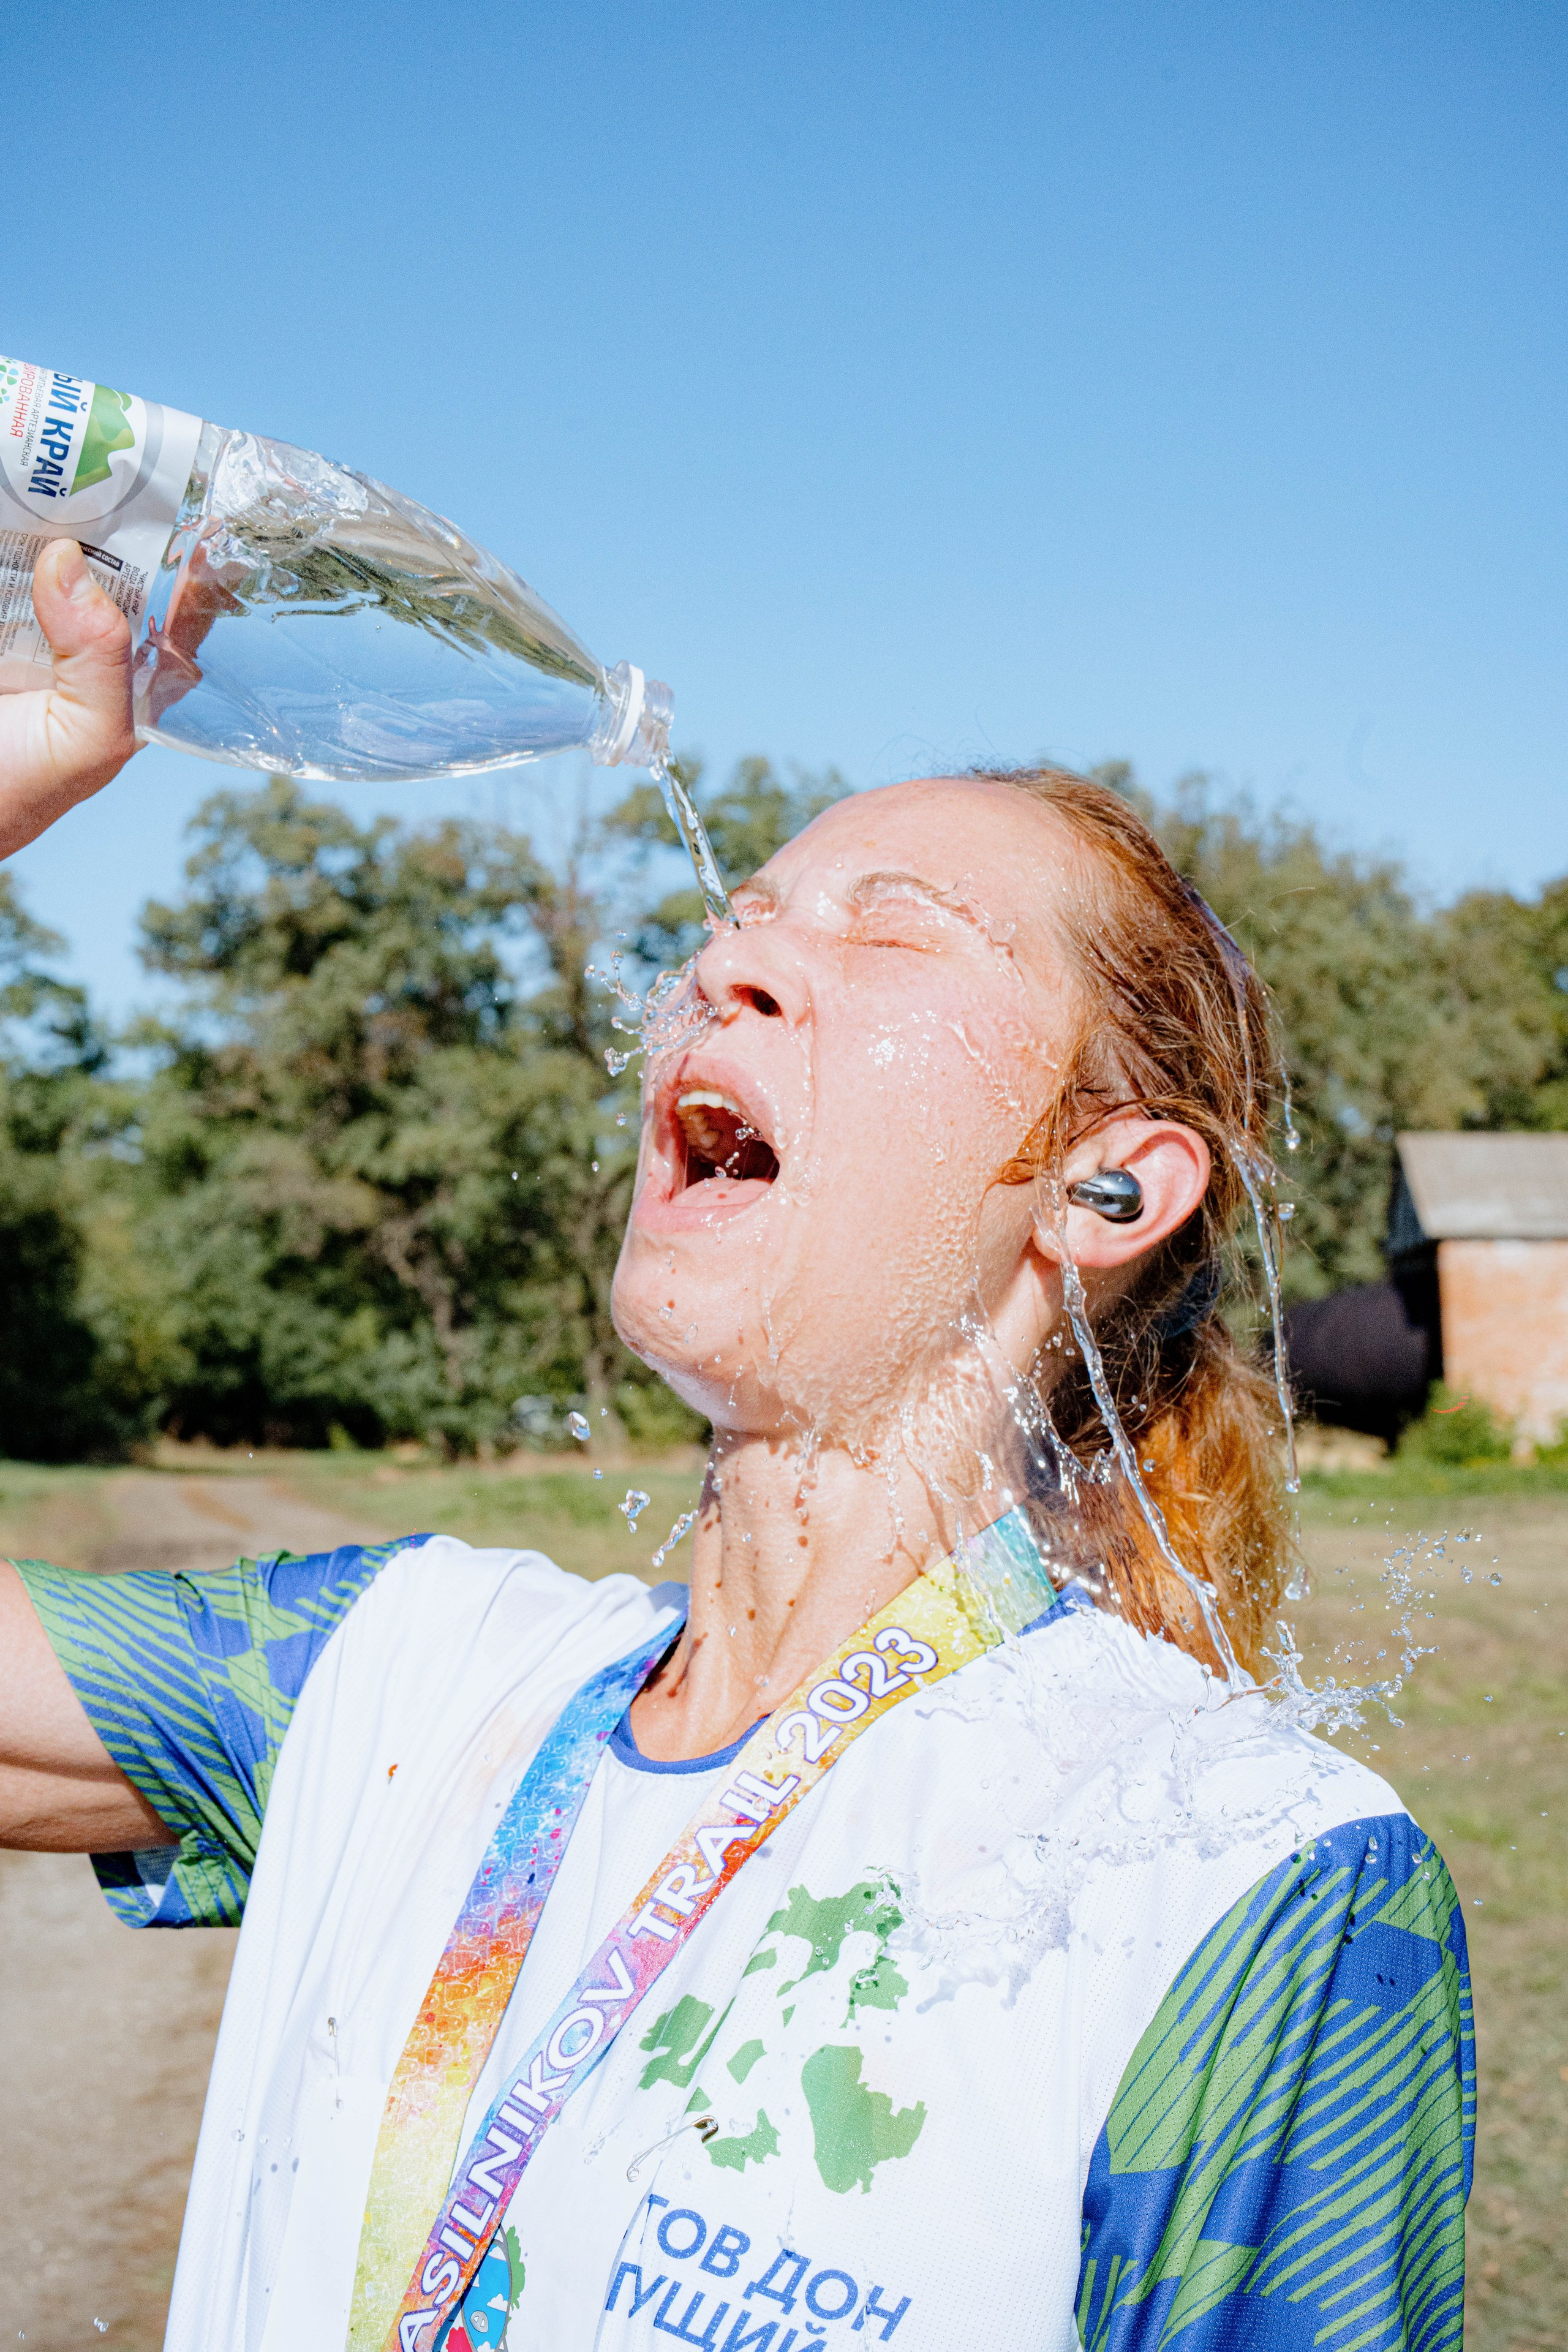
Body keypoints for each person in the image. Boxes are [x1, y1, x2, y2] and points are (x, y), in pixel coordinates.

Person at [1, 551, 1471, 2352]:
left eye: (893, 931)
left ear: (1107, 1184)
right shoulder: (404, 1679)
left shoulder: (1252, 1886)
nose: (728, 961)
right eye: (741, 918)